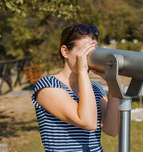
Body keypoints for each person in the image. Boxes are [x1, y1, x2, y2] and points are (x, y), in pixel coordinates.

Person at [31, 24, 119, 152]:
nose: (89, 58)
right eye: (85, 52)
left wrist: (111, 82)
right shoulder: (47, 86)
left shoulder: (95, 88)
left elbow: (112, 129)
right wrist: (82, 71)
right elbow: (88, 122)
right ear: (65, 51)